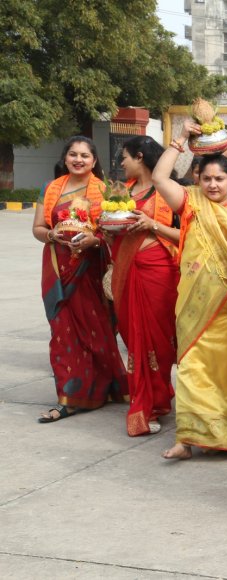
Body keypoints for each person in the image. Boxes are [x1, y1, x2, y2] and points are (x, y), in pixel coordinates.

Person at [152, 120, 227, 460]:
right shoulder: (191, 202)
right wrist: (179, 140)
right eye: (206, 178)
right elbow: (161, 178)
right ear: (197, 180)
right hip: (195, 301)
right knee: (191, 365)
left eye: (220, 178)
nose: (213, 184)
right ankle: (187, 438)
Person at [32, 137, 128, 422]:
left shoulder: (105, 190)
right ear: (65, 158)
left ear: (94, 161)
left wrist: (94, 241)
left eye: (84, 155)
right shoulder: (50, 188)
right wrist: (53, 235)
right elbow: (38, 228)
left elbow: (113, 231)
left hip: (92, 268)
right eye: (73, 154)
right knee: (63, 332)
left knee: (96, 331)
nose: (78, 160)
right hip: (58, 268)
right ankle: (69, 395)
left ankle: (101, 387)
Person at [113, 136, 180, 436]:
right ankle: (147, 401)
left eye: (125, 157)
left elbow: (187, 233)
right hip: (127, 271)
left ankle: (154, 400)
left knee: (160, 340)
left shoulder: (166, 190)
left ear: (139, 156)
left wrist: (152, 224)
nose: (122, 163)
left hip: (159, 272)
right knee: (134, 338)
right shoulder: (121, 192)